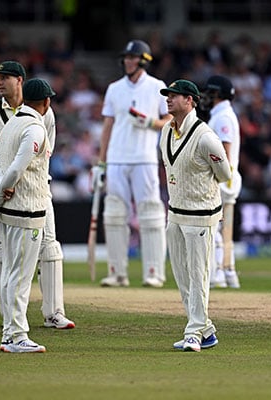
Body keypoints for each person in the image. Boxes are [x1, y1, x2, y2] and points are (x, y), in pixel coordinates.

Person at [0, 61, 75, 330]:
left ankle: (53, 312)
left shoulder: (46, 114)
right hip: (4, 192)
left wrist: (18, 181)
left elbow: (44, 156)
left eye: (5, 77)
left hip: (37, 190)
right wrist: (1, 187)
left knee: (50, 247)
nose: (0, 82)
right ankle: (9, 317)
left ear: (20, 80)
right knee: (6, 254)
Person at [0, 78, 56, 353]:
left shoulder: (12, 123)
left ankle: (9, 334)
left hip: (11, 212)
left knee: (12, 273)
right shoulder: (35, 129)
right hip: (26, 211)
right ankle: (16, 335)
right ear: (46, 103)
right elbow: (14, 170)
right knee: (21, 277)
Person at [159, 79, 232, 352]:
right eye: (167, 95)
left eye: (174, 96)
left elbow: (225, 174)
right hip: (174, 213)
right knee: (182, 275)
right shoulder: (166, 131)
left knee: (198, 275)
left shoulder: (205, 136)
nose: (168, 99)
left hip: (201, 215)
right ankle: (206, 330)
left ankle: (193, 332)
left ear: (190, 100)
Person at [95, 39, 172, 288]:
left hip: (144, 159)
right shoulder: (114, 88)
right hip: (117, 159)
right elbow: (107, 126)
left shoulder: (156, 86)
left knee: (150, 214)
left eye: (133, 58)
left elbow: (169, 118)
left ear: (144, 60)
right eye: (126, 58)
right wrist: (101, 162)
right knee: (115, 215)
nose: (128, 62)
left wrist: (151, 123)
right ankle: (117, 272)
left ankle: (154, 272)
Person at [200, 75, 242, 289]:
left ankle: (217, 274)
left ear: (217, 93)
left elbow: (223, 152)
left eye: (208, 92)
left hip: (222, 179)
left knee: (212, 227)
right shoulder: (223, 114)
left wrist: (213, 176)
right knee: (224, 230)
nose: (205, 96)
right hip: (227, 179)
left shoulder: (223, 116)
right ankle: (229, 273)